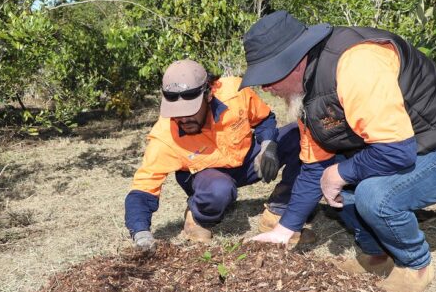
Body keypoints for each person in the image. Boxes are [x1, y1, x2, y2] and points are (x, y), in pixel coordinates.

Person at [243, 10, 436, 292]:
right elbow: (314, 167)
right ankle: (375, 256)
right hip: (408, 145)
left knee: (374, 195)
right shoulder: (306, 92)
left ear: (294, 62)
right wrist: (284, 230)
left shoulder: (357, 63)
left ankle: (414, 267)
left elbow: (395, 152)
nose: (265, 88)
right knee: (332, 180)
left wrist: (339, 173)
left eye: (268, 77)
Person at [124, 59, 308, 251]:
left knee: (299, 134)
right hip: (207, 178)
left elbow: (264, 119)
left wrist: (268, 145)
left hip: (247, 160)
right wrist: (141, 233)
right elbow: (143, 190)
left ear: (209, 94)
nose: (184, 119)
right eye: (177, 113)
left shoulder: (235, 92)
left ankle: (278, 212)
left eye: (190, 110)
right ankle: (197, 217)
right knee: (219, 189)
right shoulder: (165, 135)